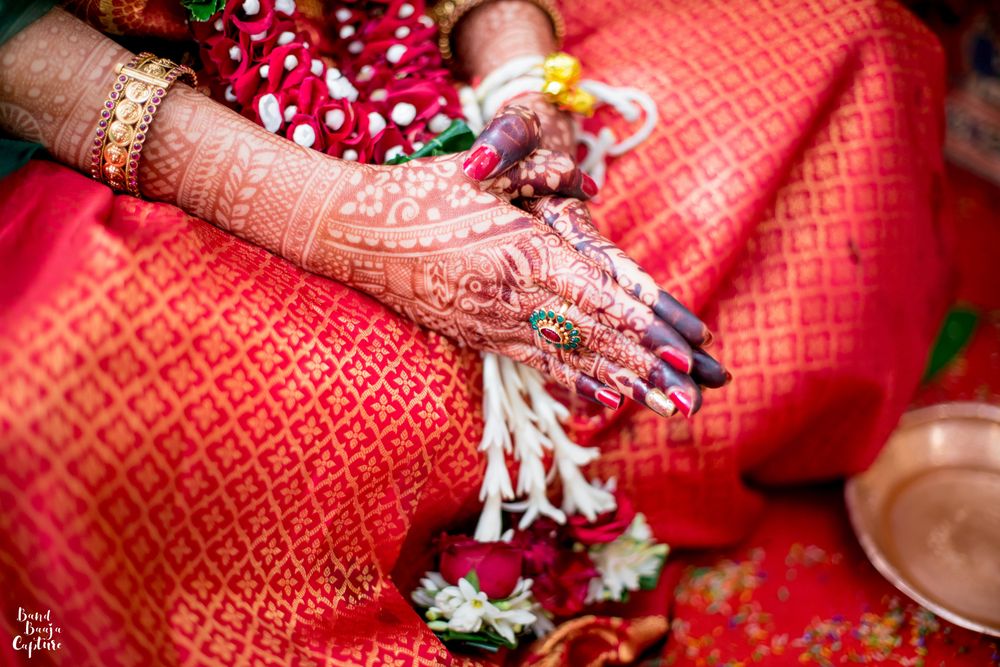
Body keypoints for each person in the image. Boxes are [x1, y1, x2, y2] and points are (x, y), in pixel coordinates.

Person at [0, 0, 950, 664]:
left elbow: (513, 69)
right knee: (49, 392)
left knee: (857, 48)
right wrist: (333, 216)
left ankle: (597, 481)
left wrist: (522, 86)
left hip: (416, 48)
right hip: (153, 146)